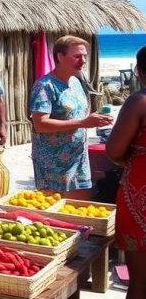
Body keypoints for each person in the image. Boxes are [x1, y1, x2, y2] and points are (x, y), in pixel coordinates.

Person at [30, 36, 113, 198]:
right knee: (57, 214)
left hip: (79, 159)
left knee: (81, 211)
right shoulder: (45, 86)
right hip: (53, 165)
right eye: (77, 56)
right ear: (60, 57)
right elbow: (40, 124)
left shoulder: (76, 82)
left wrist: (96, 118)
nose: (82, 61)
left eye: (84, 56)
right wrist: (83, 123)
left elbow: (76, 114)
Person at [107, 45, 146, 299]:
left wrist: (134, 159)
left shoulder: (139, 101)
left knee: (142, 285)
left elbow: (114, 150)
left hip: (140, 195)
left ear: (139, 71)